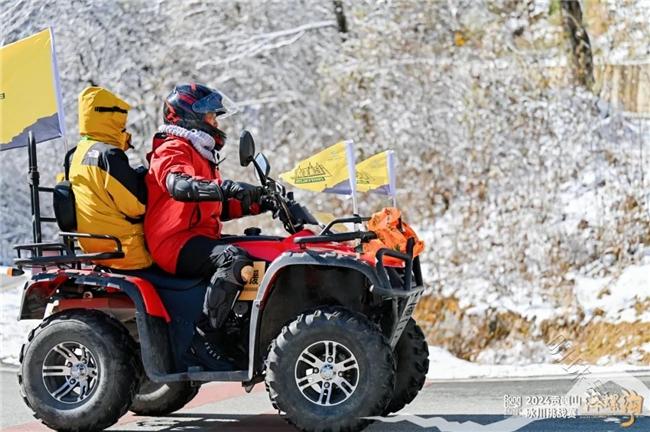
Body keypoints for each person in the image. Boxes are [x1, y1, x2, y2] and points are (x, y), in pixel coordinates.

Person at [145, 83, 268, 370]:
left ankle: (238, 328)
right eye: (211, 116)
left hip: (197, 237)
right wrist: (227, 187)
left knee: (260, 251)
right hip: (174, 242)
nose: (215, 122)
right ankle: (206, 336)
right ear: (189, 116)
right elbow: (181, 185)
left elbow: (215, 204)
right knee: (234, 260)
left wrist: (256, 201)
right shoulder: (172, 148)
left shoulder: (199, 152)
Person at [68, 86, 152, 270]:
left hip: (93, 247)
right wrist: (145, 177)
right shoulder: (109, 155)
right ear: (112, 117)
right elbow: (136, 205)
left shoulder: (76, 154)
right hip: (126, 250)